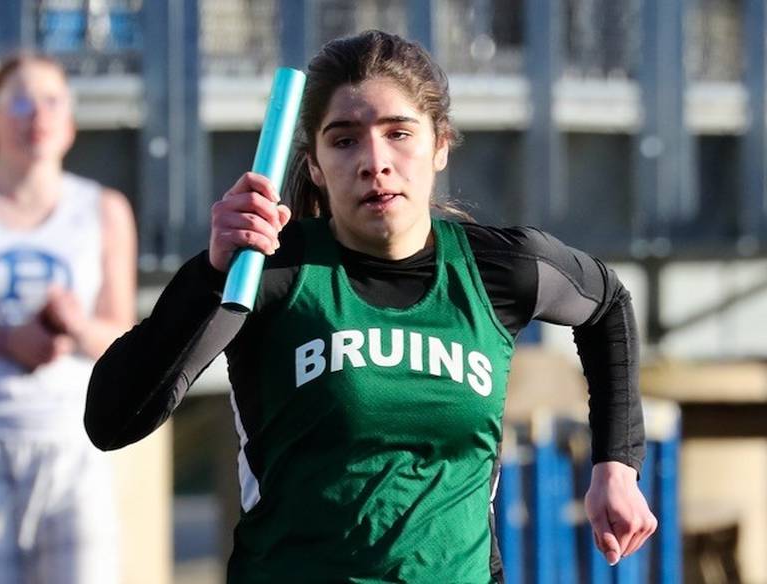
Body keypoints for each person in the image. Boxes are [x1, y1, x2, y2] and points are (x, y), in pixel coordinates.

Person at [86, 30, 656, 583]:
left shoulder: (502, 269)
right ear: (313, 164)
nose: (374, 161)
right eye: (344, 139)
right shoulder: (268, 273)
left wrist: (618, 465)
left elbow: (608, 305)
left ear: (440, 145)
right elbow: (112, 419)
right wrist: (212, 275)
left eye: (399, 133)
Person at [0, 54, 136, 584]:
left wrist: (76, 326)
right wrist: (4, 340)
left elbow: (123, 339)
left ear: (69, 123)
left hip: (72, 450)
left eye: (51, 101)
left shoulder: (103, 210)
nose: (35, 114)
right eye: (18, 101)